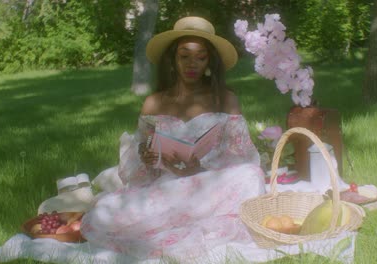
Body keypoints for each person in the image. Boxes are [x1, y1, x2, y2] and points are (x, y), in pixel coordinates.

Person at [80, 16, 266, 261]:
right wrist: (146, 159)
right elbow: (135, 174)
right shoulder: (154, 102)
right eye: (184, 56)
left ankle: (183, 222)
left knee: (252, 175)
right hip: (166, 192)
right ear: (172, 59)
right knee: (101, 214)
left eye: (201, 57)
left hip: (211, 188)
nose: (192, 64)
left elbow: (243, 158)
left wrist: (201, 169)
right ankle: (177, 222)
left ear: (210, 61)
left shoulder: (226, 98)